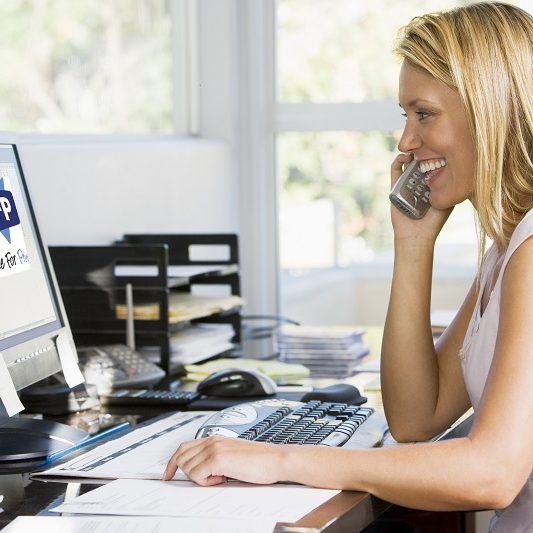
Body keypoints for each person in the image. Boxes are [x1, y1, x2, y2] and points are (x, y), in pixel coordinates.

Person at [164, 3, 533, 530]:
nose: (406, 141)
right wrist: (412, 244)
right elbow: (415, 418)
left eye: (424, 114)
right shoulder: (508, 249)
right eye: (404, 117)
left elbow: (492, 473)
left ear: (490, 111)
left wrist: (278, 460)